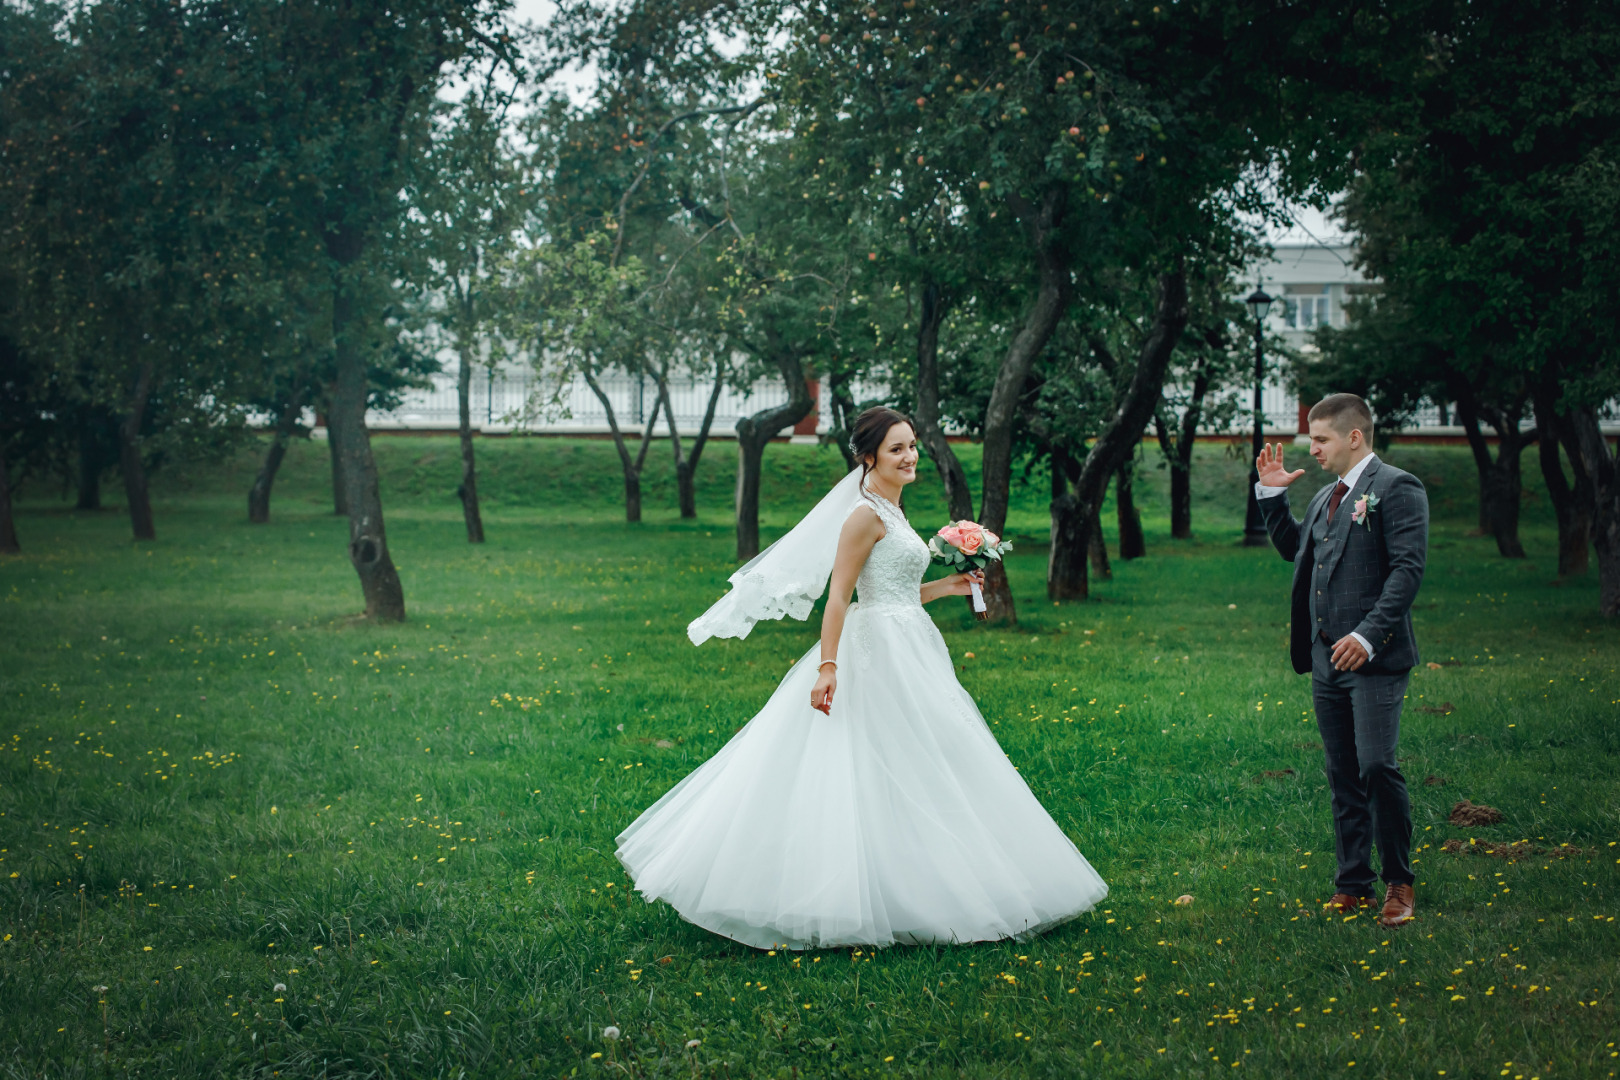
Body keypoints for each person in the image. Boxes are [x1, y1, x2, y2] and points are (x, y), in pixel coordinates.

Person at [616, 406, 1107, 950]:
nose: (910, 455)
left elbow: (891, 593)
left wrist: (948, 588)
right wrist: (828, 667)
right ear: (868, 456)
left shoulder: (894, 511)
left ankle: (926, 877)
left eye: (913, 445)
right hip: (873, 653)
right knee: (873, 759)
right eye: (896, 448)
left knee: (927, 756)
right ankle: (866, 890)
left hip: (911, 643)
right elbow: (840, 599)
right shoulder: (862, 516)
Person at [1254, 393, 1428, 929]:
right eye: (1312, 438)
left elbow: (1407, 570)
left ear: (1355, 437)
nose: (1314, 448)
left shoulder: (1398, 488)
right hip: (1325, 660)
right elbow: (1294, 551)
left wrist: (1369, 636)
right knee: (1342, 773)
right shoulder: (1325, 498)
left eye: (1322, 439)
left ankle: (1399, 882)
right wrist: (1270, 495)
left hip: (1374, 658)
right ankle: (1353, 882)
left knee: (1377, 764)